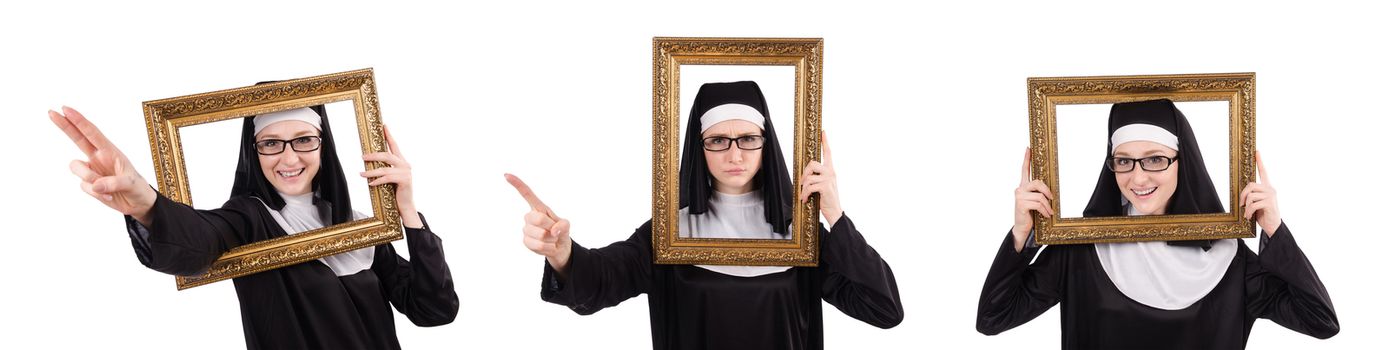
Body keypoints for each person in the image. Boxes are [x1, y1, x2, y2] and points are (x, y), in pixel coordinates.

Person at [506, 81, 903, 349]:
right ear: (700, 148)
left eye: (748, 139)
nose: (734, 154)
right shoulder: (669, 232)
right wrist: (561, 253)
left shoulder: (799, 234)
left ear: (766, 145)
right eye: (717, 140)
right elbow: (597, 285)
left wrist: (834, 215)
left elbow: (883, 310)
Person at [50, 105, 458, 349]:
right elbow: (197, 242)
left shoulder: (354, 225)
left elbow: (433, 310)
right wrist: (147, 205)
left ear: (323, 145)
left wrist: (407, 210)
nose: (288, 157)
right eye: (270, 143)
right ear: (255, 151)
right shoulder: (249, 218)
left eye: (303, 140)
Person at [977, 99, 1338, 349]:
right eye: (1123, 161)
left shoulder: (1232, 262)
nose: (1137, 178)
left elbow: (1321, 321)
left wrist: (1275, 230)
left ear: (1184, 162)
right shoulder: (1083, 251)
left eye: (1154, 160)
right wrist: (1023, 235)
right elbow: (993, 317)